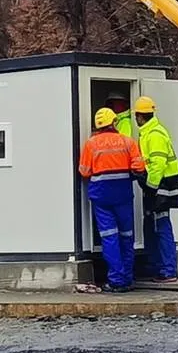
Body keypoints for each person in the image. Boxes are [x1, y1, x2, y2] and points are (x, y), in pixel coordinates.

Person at [77, 106, 145, 292]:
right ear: (114, 122)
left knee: (109, 237)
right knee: (126, 236)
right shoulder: (127, 141)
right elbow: (138, 167)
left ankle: (116, 280)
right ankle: (127, 278)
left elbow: (84, 171)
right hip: (123, 194)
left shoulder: (91, 144)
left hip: (101, 196)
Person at [134, 95, 178, 282]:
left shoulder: (154, 134)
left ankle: (168, 269)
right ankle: (158, 266)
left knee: (161, 226)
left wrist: (150, 187)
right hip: (161, 187)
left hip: (162, 188)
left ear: (140, 116)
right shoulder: (150, 132)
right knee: (153, 226)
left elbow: (158, 165)